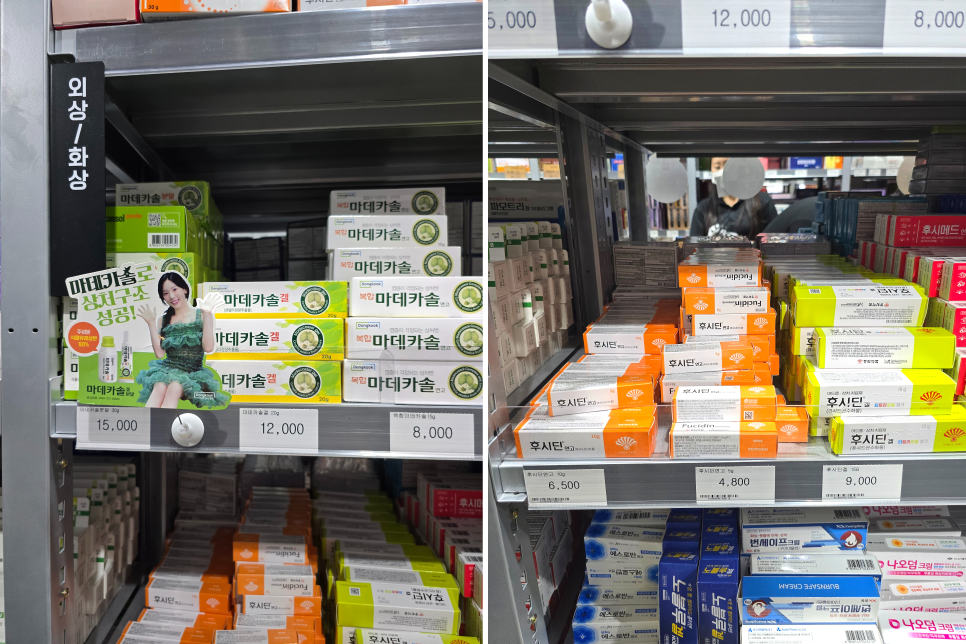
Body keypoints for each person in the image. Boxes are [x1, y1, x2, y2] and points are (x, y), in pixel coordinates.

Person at [135, 271, 230, 409]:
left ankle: (161, 423)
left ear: (184, 289)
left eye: (175, 289)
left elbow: (208, 348)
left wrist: (207, 314)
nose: (171, 296)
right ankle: (146, 422)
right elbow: (160, 354)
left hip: (191, 373)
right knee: (159, 386)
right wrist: (150, 323)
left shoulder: (201, 314)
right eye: (166, 293)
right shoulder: (163, 320)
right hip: (167, 369)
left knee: (174, 387)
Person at [690, 157, 778, 238]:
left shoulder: (762, 201)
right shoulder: (703, 208)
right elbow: (694, 246)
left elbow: (774, 241)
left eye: (727, 166)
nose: (722, 171)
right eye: (717, 167)